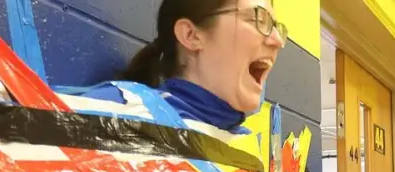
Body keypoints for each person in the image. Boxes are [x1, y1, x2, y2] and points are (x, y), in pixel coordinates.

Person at [82, 0, 287, 133]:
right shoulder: (114, 115)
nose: (278, 41)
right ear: (191, 35)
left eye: (277, 28)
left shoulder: (250, 151)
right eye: (258, 20)